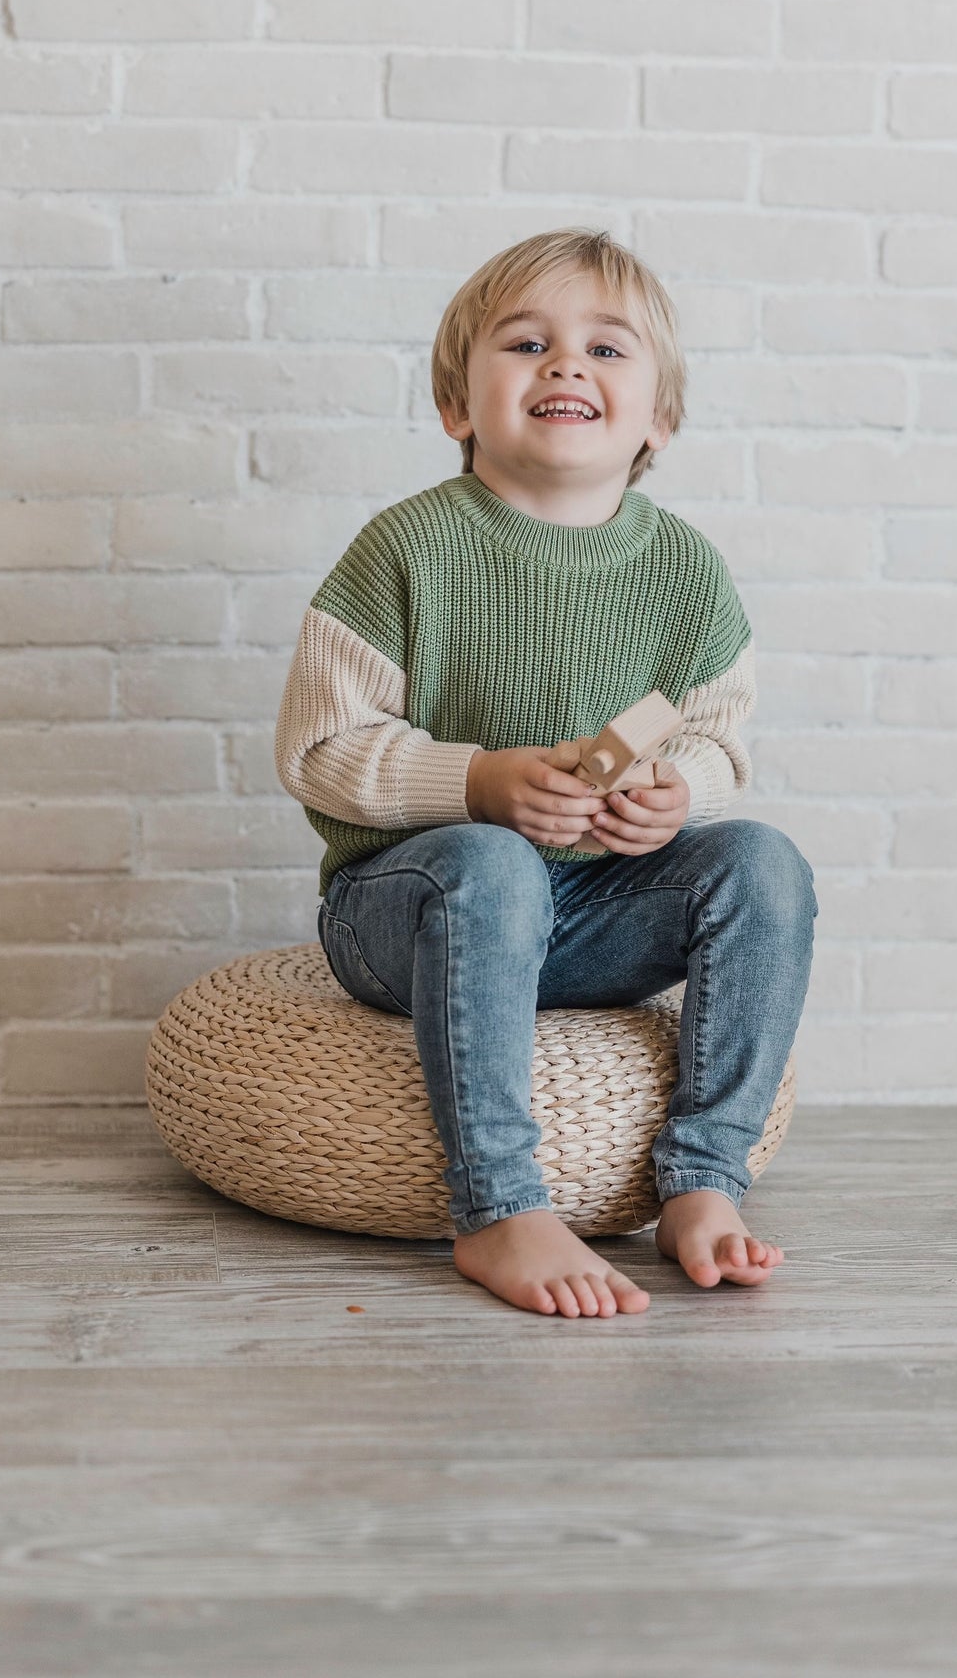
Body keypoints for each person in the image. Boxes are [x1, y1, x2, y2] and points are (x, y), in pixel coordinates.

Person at [274, 228, 818, 1318]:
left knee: (760, 863)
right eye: (527, 342)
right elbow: (319, 751)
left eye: (606, 350)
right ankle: (497, 1203)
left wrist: (680, 794)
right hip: (413, 908)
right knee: (490, 864)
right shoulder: (405, 549)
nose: (566, 363)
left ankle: (702, 1179)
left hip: (588, 910)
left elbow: (716, 737)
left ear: (657, 419)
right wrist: (474, 783)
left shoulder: (684, 574)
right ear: (456, 405)